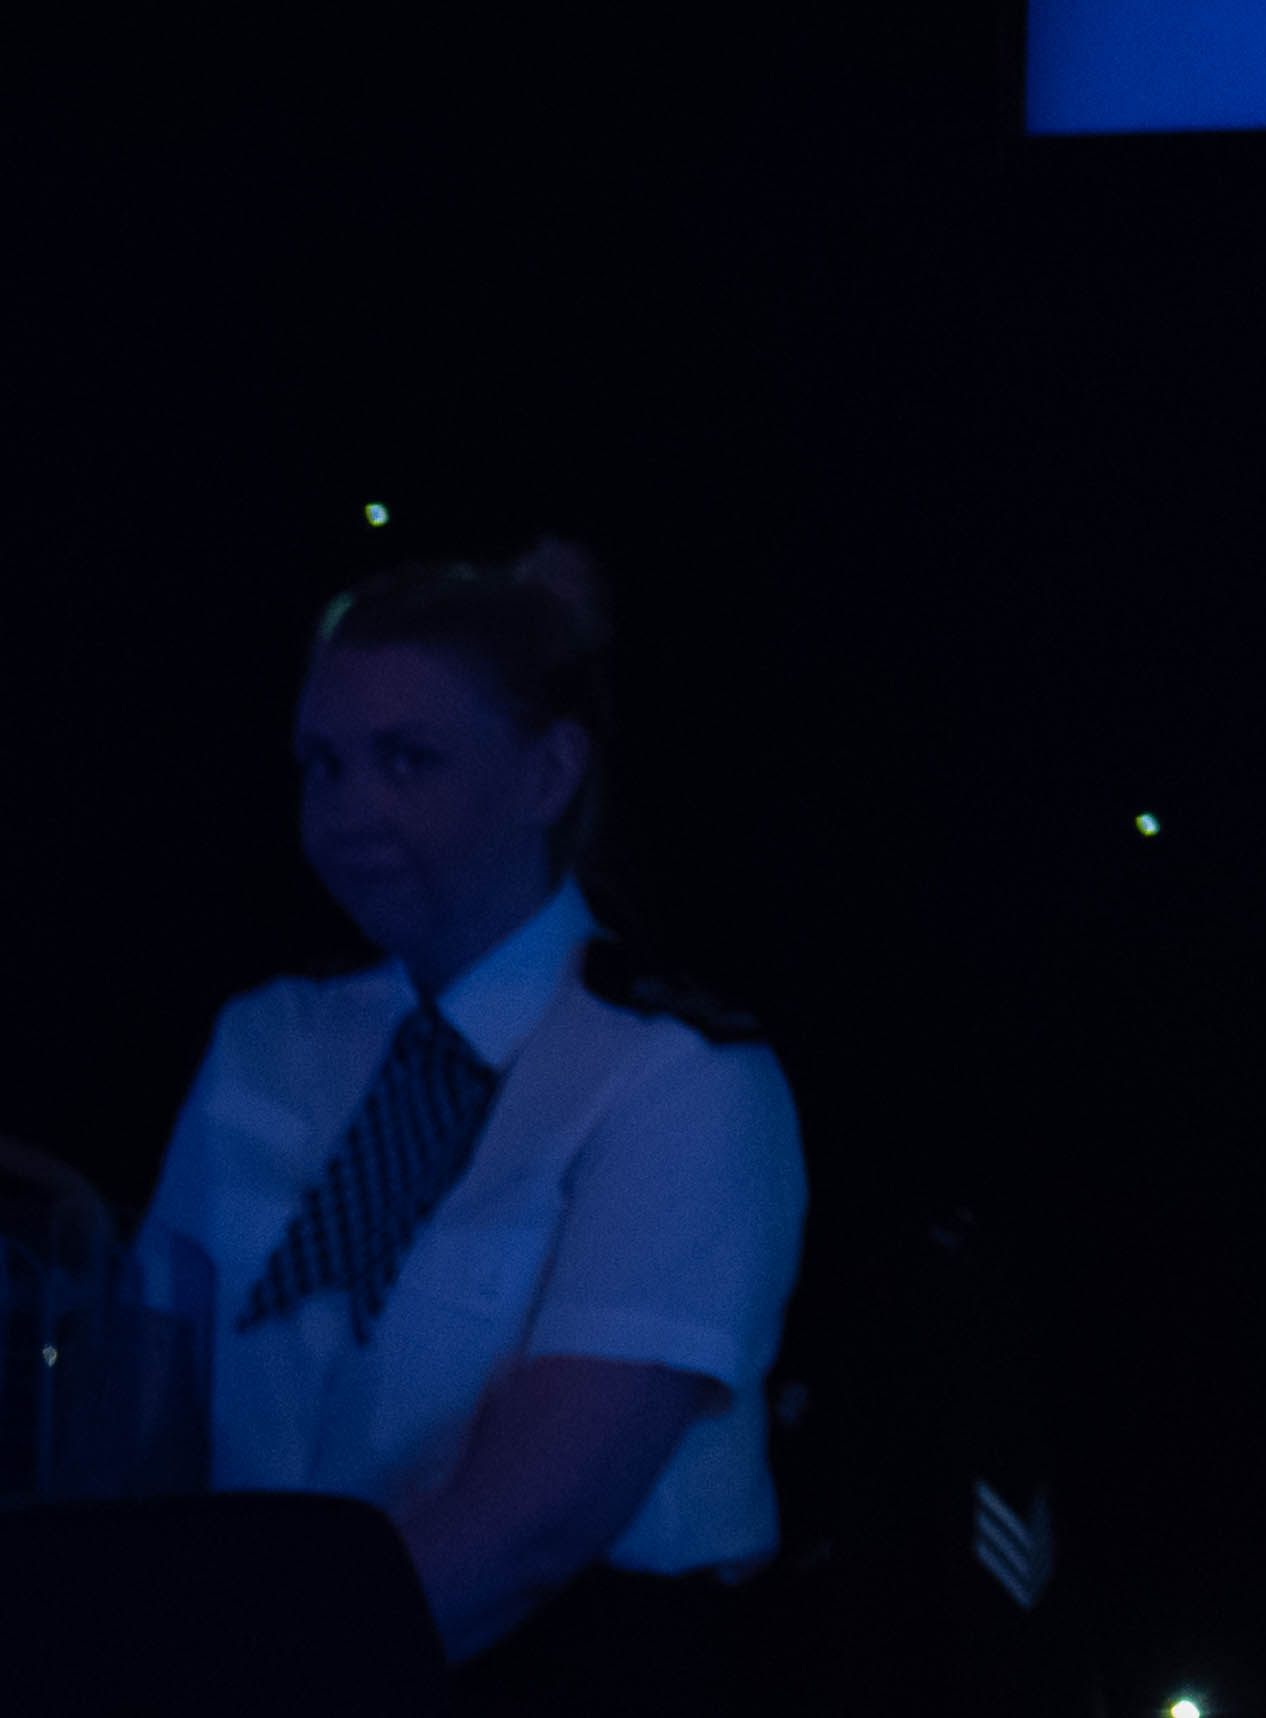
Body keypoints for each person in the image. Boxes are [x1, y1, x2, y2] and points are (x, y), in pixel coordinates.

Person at [134, 548, 805, 1700]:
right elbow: (146, 1418)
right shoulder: (271, 1042)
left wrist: (229, 1684)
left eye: (408, 760)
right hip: (252, 1644)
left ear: (549, 772)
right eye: (323, 765)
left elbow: (531, 1531)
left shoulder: (678, 1081)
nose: (348, 812)